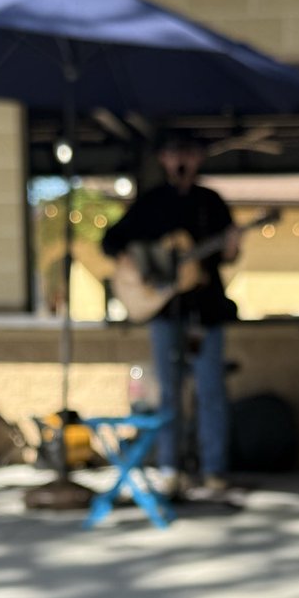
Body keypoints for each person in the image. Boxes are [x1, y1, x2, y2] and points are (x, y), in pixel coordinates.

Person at [102, 129, 240, 498]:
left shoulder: (210, 202)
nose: (182, 161)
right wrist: (135, 261)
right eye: (175, 154)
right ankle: (170, 468)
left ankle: (213, 470)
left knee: (210, 389)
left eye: (189, 154)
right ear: (163, 159)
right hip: (165, 312)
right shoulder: (152, 202)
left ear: (198, 159)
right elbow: (110, 240)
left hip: (205, 310)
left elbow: (229, 255)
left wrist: (230, 248)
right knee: (168, 392)